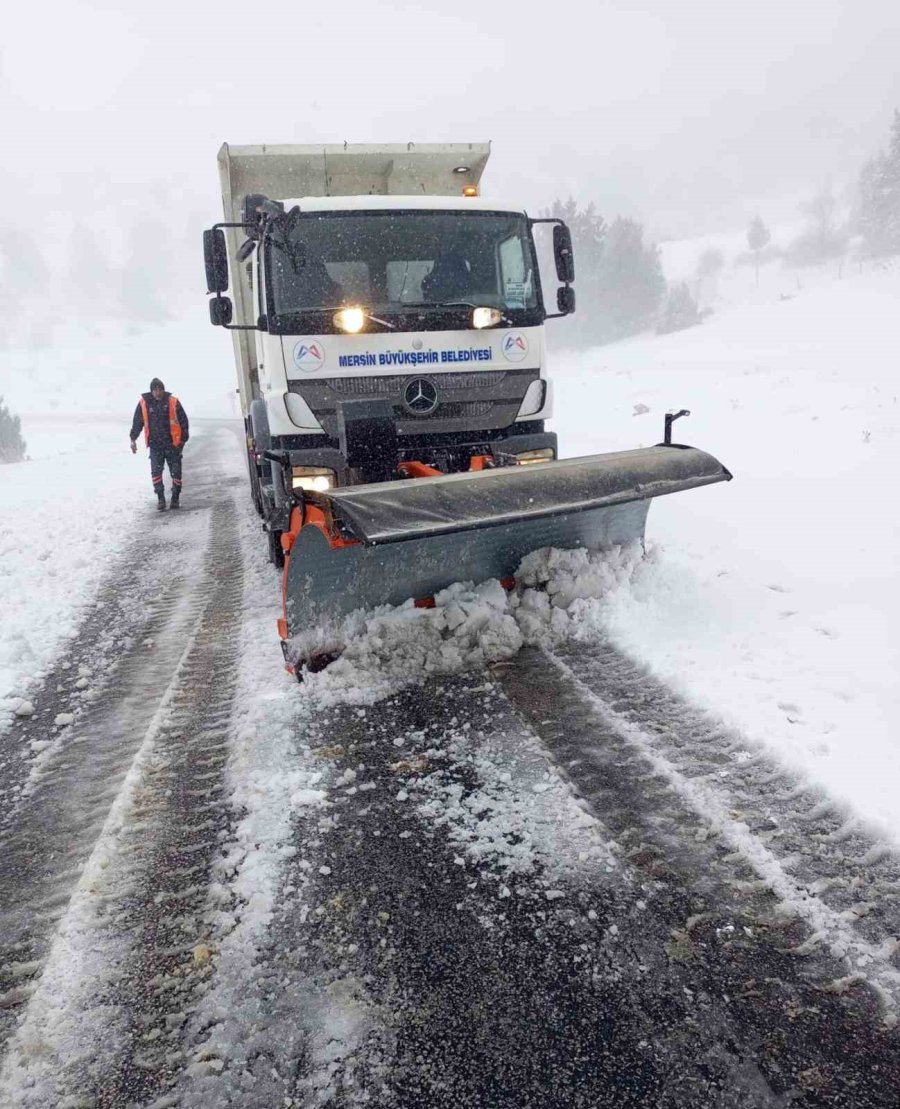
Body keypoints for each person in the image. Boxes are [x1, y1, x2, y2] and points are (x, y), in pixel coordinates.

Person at [129, 378, 189, 511]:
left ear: (163, 389)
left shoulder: (173, 402)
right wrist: (133, 438)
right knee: (156, 473)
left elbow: (183, 421)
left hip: (172, 444)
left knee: (176, 473)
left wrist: (182, 441)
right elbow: (137, 422)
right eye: (155, 390)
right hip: (155, 445)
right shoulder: (144, 404)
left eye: (160, 389)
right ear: (151, 391)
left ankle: (175, 498)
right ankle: (161, 499)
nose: (157, 392)